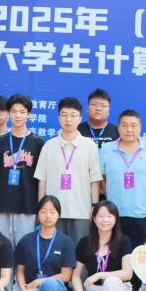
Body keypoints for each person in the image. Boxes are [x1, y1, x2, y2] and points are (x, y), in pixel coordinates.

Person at [6, 195, 76, 291]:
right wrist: (23, 289)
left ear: (58, 215)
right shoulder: (26, 240)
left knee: (51, 284)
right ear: (38, 214)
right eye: (43, 211)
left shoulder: (65, 241)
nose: (48, 216)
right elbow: (20, 271)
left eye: (52, 212)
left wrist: (40, 281)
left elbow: (66, 276)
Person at [34, 97, 102, 242]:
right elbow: (42, 181)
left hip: (81, 211)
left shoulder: (89, 146)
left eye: (73, 115)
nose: (68, 119)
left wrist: (94, 206)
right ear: (59, 118)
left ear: (80, 118)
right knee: (53, 250)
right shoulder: (49, 146)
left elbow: (94, 180)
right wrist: (41, 208)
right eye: (64, 115)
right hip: (52, 212)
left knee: (80, 251)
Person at [72, 201, 134, 291]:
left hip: (120, 290)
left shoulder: (124, 241)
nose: (105, 220)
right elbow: (75, 275)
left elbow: (128, 273)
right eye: (101, 216)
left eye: (109, 216)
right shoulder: (84, 242)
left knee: (111, 281)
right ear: (94, 219)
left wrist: (99, 275)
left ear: (116, 219)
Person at [100, 110, 146, 256]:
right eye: (125, 125)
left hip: (143, 214)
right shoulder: (106, 149)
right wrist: (110, 195)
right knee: (115, 256)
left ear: (140, 128)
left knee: (141, 257)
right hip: (114, 213)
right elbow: (102, 178)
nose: (129, 129)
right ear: (118, 127)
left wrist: (144, 195)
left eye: (133, 125)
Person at [0, 94, 45, 247]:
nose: (18, 116)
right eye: (14, 111)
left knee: (24, 248)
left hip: (27, 206)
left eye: (22, 112)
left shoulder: (38, 143)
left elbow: (41, 180)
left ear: (29, 114)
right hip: (2, 206)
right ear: (8, 113)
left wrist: (40, 207)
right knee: (2, 248)